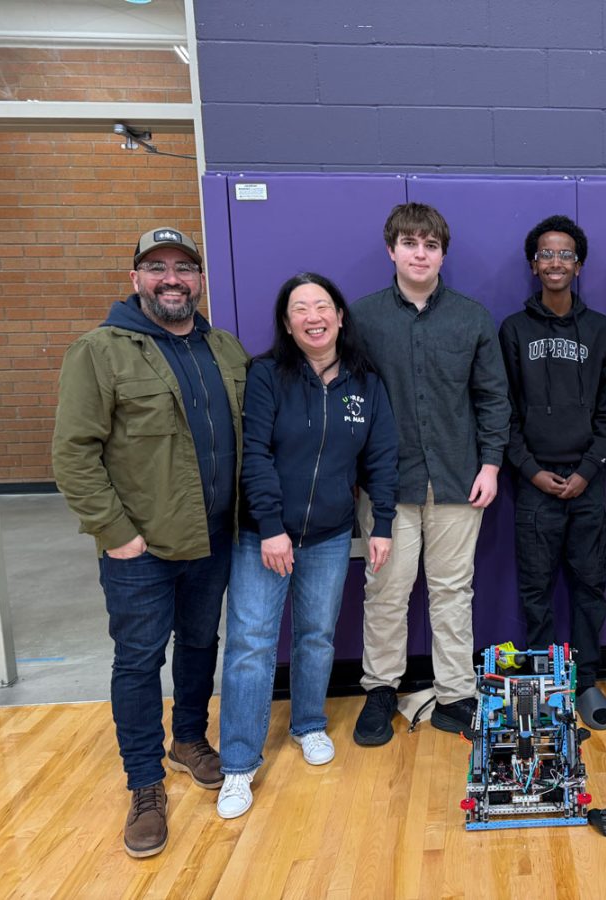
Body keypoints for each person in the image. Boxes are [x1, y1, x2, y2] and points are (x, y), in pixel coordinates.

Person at [52, 227, 249, 858]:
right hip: (141, 547)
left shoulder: (224, 348)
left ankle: (189, 738)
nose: (172, 279)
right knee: (139, 661)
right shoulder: (100, 351)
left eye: (184, 268)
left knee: (199, 643)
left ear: (199, 279)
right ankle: (144, 784)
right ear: (136, 277)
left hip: (213, 537)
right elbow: (73, 454)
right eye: (157, 267)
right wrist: (118, 537)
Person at [216, 273, 398, 819]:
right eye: (301, 308)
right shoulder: (267, 375)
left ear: (341, 317)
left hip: (330, 534)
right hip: (263, 536)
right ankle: (239, 764)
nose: (313, 316)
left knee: (316, 636)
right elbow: (256, 455)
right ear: (288, 323)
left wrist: (382, 524)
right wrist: (270, 526)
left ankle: (309, 725)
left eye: (323, 306)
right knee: (251, 643)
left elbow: (382, 458)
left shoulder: (366, 382)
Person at [350, 203, 510, 743]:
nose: (421, 254)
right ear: (391, 248)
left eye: (431, 245)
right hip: (386, 486)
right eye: (410, 243)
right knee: (387, 591)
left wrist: (491, 465)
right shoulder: (363, 318)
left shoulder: (472, 317)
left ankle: (455, 695)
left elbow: (493, 399)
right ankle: (379, 691)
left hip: (460, 481)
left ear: (443, 252)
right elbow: (350, 400)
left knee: (451, 590)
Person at [499, 215, 606, 729]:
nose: (555, 262)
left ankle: (587, 678)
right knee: (536, 589)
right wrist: (530, 471)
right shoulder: (512, 330)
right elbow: (501, 411)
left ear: (579, 265)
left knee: (591, 586)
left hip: (587, 486)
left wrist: (588, 471)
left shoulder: (599, 330)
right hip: (534, 490)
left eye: (565, 254)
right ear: (534, 264)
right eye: (546, 254)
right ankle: (546, 683)